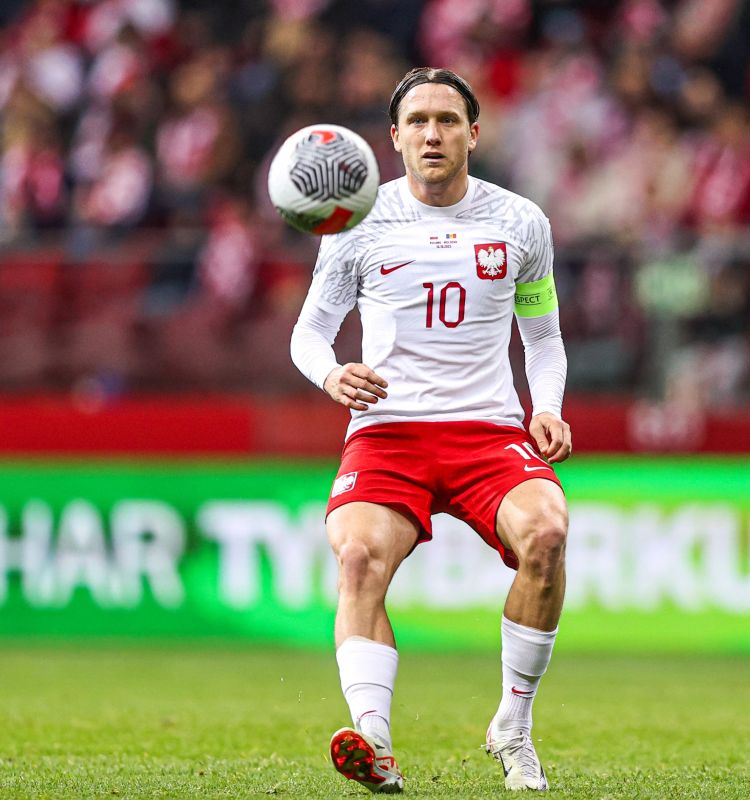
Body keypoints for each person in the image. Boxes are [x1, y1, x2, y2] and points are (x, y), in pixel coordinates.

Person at [290, 67, 571, 793]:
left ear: (473, 133)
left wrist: (546, 406)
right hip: (388, 431)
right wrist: (332, 375)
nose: (433, 134)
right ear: (394, 138)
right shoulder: (356, 224)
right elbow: (309, 334)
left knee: (546, 533)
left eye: (447, 120)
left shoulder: (521, 222)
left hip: (488, 432)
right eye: (417, 122)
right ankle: (374, 741)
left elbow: (543, 338)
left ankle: (514, 726)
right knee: (358, 558)